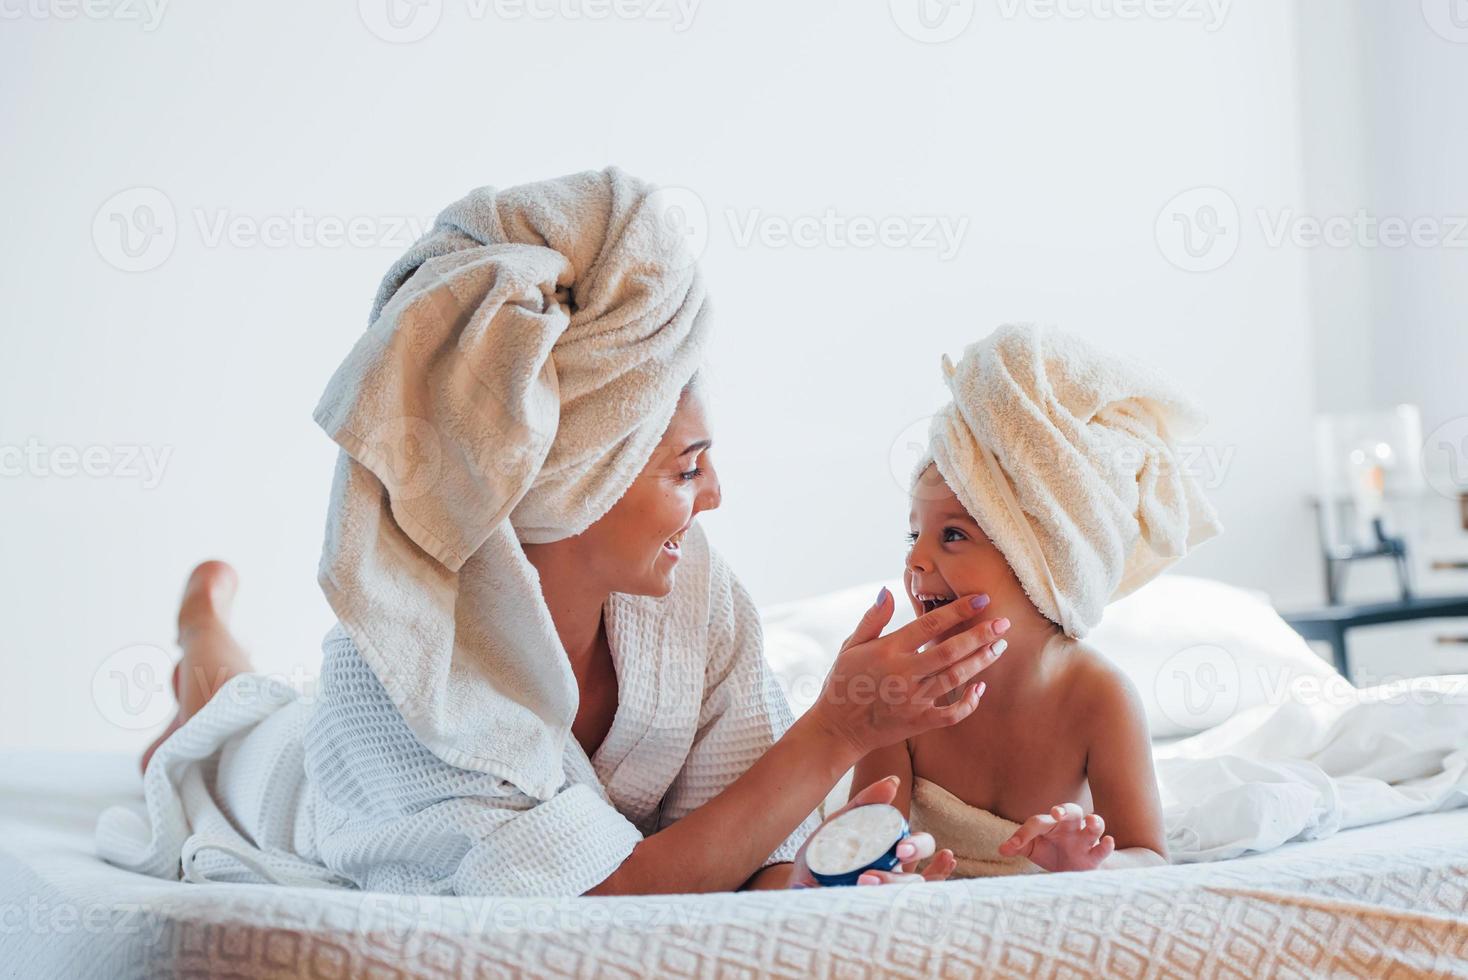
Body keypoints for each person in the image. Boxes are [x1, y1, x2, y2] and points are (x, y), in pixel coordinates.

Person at [98, 168, 1009, 896]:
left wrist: (804, 878)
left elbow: (731, 843)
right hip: (292, 781)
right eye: (685, 470)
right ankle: (199, 642)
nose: (717, 495)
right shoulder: (395, 690)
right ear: (573, 487)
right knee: (212, 732)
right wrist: (837, 732)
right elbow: (599, 902)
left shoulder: (693, 596)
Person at [850, 324, 1223, 877]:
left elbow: (1148, 856)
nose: (916, 562)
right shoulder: (905, 695)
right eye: (914, 536)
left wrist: (1089, 863)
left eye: (952, 535)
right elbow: (865, 847)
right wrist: (881, 872)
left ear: (1044, 561)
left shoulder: (1099, 698)